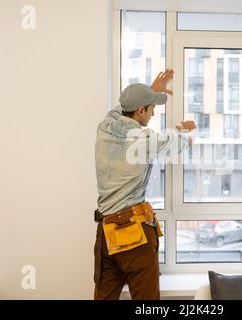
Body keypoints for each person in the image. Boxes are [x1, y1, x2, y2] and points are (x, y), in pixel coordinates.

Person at [93, 69, 195, 300]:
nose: (152, 114)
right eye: (151, 109)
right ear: (141, 110)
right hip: (133, 234)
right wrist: (187, 132)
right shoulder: (142, 139)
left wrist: (151, 90)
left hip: (105, 233)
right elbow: (176, 143)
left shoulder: (105, 126)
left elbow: (120, 108)